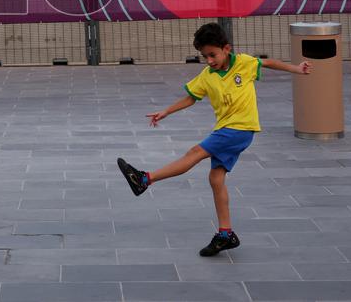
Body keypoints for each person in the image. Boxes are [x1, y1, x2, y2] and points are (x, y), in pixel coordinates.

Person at [116, 22, 312, 256]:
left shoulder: (244, 63)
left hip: (239, 129)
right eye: (204, 56)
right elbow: (191, 98)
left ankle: (145, 179)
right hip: (227, 129)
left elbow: (268, 63)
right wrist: (166, 111)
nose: (209, 60)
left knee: (194, 153)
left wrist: (297, 69)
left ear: (226, 48)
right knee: (216, 179)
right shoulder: (207, 76)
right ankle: (225, 234)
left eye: (212, 54)